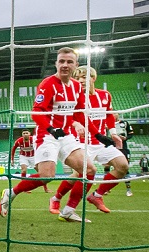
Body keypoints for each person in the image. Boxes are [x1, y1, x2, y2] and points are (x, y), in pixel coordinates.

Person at [0, 47, 115, 223]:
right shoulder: (48, 84)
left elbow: (80, 115)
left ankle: (68, 210)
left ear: (75, 65)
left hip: (66, 136)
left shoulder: (76, 87)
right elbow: (36, 112)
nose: (65, 65)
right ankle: (10, 192)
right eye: (61, 61)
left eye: (69, 62)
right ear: (56, 63)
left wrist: (98, 135)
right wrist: (51, 129)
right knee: (47, 176)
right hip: (46, 135)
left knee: (89, 169)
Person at [48, 66, 127, 215]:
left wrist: (114, 133)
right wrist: (75, 123)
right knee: (81, 174)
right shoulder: (71, 98)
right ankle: (57, 200)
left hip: (100, 141)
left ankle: (96, 196)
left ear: (93, 78)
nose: (81, 81)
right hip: (79, 142)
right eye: (77, 78)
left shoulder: (105, 95)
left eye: (84, 77)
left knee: (122, 166)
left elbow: (109, 115)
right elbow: (63, 117)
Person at [104, 113, 134, 196]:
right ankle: (105, 188)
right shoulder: (106, 123)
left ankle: (128, 190)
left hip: (122, 147)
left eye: (115, 113)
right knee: (107, 166)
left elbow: (131, 133)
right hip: (110, 147)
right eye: (113, 113)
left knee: (125, 168)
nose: (114, 115)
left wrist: (125, 138)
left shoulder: (124, 123)